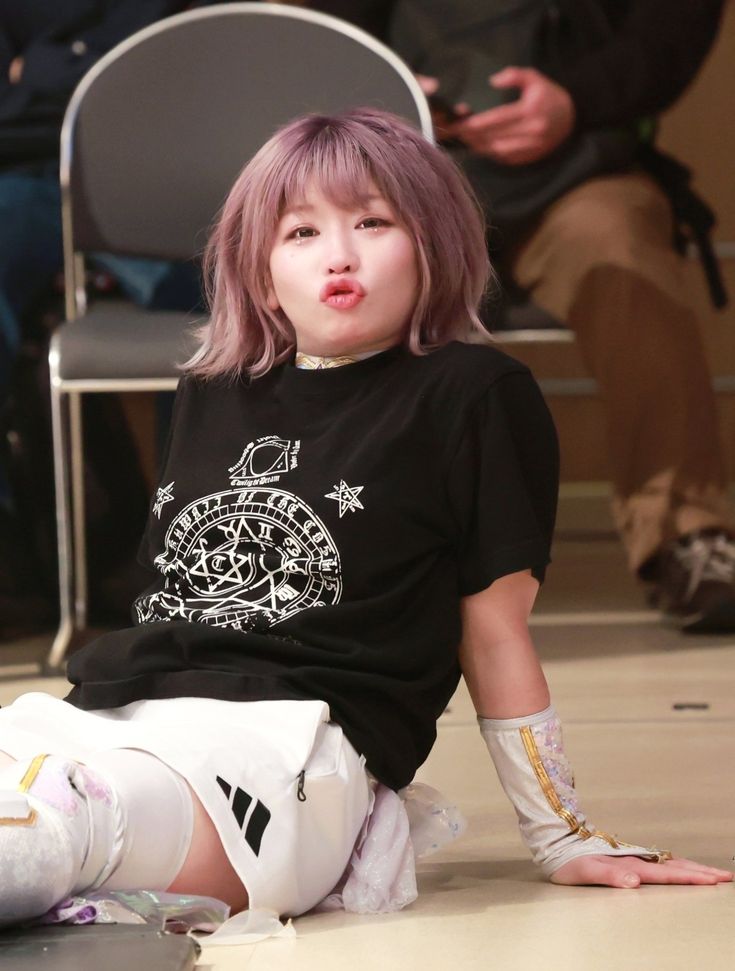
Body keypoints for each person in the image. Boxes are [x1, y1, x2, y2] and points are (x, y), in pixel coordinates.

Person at [0, 109, 730, 927]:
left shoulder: (473, 394)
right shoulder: (211, 389)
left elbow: (494, 635)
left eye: (372, 222)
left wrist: (560, 834)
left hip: (289, 747)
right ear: (260, 270)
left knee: (65, 818)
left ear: (432, 243)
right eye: (301, 232)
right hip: (115, 711)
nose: (338, 254)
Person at [301, 0, 735, 634]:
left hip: (577, 169)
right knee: (337, 273)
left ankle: (686, 536)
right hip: (401, 177)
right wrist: (386, 95)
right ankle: (332, 547)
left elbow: (672, 26)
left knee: (623, 258)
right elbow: (321, 30)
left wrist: (575, 100)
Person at [0, 0, 198, 634]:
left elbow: (168, 57)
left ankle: (191, 549)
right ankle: (16, 561)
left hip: (157, 165)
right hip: (17, 170)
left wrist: (38, 68)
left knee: (219, 300)